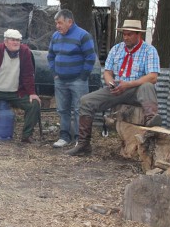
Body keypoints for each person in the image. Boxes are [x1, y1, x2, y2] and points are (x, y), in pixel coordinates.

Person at [67, 19, 161, 156]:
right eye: (124, 34)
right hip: (117, 88)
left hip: (136, 89)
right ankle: (83, 144)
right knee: (86, 101)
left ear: (138, 35)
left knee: (147, 85)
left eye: (129, 34)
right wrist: (111, 82)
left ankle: (151, 123)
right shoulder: (116, 49)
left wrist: (128, 84)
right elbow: (107, 71)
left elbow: (153, 77)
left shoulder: (149, 50)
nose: (126, 37)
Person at [47, 9, 97, 148]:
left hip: (78, 80)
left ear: (70, 22)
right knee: (62, 109)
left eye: (60, 23)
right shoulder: (56, 36)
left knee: (78, 109)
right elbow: (50, 56)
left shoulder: (83, 35)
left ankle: (79, 139)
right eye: (56, 23)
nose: (57, 26)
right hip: (60, 80)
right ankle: (64, 136)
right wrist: (54, 72)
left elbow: (90, 57)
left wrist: (83, 76)